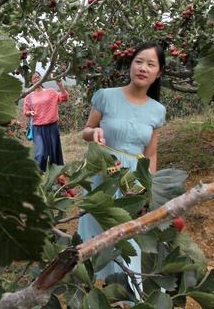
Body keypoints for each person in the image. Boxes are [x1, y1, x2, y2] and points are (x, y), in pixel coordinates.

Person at [78, 41, 166, 291]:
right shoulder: (106, 96)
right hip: (102, 175)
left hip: (132, 182)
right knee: (96, 235)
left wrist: (149, 188)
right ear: (130, 64)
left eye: (151, 64)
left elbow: (150, 153)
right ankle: (92, 287)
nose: (143, 68)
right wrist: (93, 132)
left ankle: (130, 293)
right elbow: (85, 131)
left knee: (130, 239)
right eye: (139, 61)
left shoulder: (157, 110)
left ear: (158, 73)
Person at [23, 72, 69, 171]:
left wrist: (60, 85)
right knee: (40, 153)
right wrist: (30, 112)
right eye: (34, 78)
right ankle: (39, 177)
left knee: (54, 154)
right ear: (31, 81)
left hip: (52, 127)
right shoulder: (29, 96)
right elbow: (25, 112)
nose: (37, 79)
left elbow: (64, 98)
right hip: (38, 128)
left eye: (38, 77)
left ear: (43, 78)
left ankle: (57, 178)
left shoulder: (51, 92)